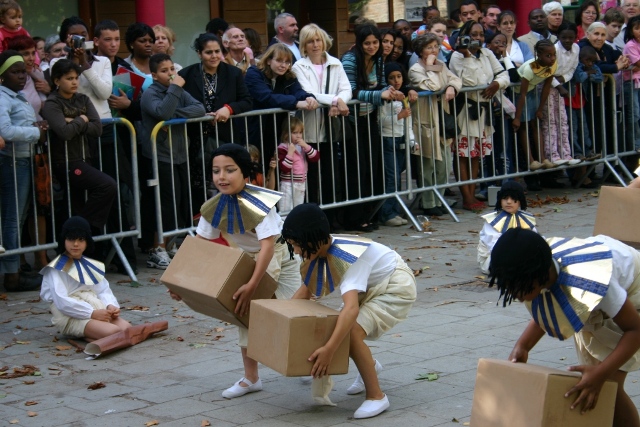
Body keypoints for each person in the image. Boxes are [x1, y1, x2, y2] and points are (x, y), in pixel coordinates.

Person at [170, 143, 301, 398]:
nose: (221, 176)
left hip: (279, 256)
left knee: (297, 314)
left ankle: (347, 355)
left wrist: (253, 284)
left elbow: (267, 248)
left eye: (230, 170)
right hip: (247, 259)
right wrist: (178, 284)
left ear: (245, 173)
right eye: (216, 170)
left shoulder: (261, 204)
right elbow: (200, 247)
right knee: (243, 311)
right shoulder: (212, 207)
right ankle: (251, 377)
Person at [489, 228, 640, 427]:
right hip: (599, 311)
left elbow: (635, 330)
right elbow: (550, 307)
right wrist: (523, 346)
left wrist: (601, 373)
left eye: (515, 288)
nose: (514, 296)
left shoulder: (593, 282)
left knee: (609, 388)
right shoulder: (544, 269)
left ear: (536, 278)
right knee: (595, 386)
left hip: (632, 301)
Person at [281, 203, 417, 419]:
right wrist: (279, 320)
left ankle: (377, 396)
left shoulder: (348, 258)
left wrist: (329, 350)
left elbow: (351, 309)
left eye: (297, 245)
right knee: (339, 329)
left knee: (350, 332)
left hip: (394, 285)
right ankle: (370, 366)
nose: (296, 251)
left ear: (312, 238)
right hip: (372, 284)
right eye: (292, 245)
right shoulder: (320, 247)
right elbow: (304, 292)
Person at [140, 53, 205, 269]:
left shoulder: (177, 92)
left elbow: (199, 108)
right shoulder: (151, 93)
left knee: (179, 201)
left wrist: (173, 116)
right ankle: (156, 248)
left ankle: (170, 245)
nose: (170, 74)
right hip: (160, 155)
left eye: (171, 69)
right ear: (154, 75)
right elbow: (162, 111)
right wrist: (175, 90)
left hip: (179, 154)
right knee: (164, 203)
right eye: (164, 71)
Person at [341, 24, 405, 231]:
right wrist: (380, 95)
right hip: (352, 121)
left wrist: (390, 90)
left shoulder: (378, 59)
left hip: (370, 117)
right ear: (360, 43)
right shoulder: (350, 59)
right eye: (367, 43)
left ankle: (370, 214)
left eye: (375, 43)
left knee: (372, 168)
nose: (372, 47)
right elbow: (351, 91)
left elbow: (377, 87)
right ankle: (355, 217)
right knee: (357, 169)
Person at [41, 59, 116, 234]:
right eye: (69, 78)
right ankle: (79, 231)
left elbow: (97, 128)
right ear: (57, 81)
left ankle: (74, 235)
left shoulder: (82, 98)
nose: (75, 82)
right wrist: (81, 120)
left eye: (76, 78)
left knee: (75, 204)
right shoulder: (53, 103)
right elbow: (64, 132)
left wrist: (72, 122)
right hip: (66, 161)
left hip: (84, 157)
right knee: (107, 185)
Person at [179, 32, 252, 212]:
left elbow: (247, 101)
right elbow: (178, 103)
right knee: (197, 183)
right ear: (199, 53)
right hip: (194, 139)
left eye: (217, 51)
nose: (213, 56)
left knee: (225, 180)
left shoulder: (233, 73)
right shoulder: (186, 74)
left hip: (225, 137)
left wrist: (229, 108)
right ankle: (200, 222)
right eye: (208, 52)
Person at [291, 23, 351, 217]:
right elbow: (309, 92)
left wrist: (340, 101)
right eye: (310, 41)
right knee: (313, 176)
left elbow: (346, 88)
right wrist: (335, 100)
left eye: (318, 40)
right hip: (309, 127)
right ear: (304, 45)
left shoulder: (336, 63)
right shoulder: (299, 66)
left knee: (332, 173)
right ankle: (315, 216)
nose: (315, 44)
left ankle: (333, 216)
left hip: (331, 127)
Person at [449, 20, 510, 211]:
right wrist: (467, 54)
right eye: (473, 35)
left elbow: (504, 75)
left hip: (483, 112)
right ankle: (466, 198)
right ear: (464, 36)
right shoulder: (456, 56)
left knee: (476, 155)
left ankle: (472, 192)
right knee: (462, 154)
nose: (477, 38)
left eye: (481, 35)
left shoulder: (487, 53)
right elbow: (470, 80)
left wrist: (496, 84)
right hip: (465, 111)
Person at [0, 50, 48, 291]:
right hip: (12, 162)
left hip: (24, 159)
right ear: (2, 76)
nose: (22, 76)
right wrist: (36, 132)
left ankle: (14, 271)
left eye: (23, 71)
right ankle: (11, 274)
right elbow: (5, 131)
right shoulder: (2, 97)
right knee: (12, 220)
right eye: (15, 72)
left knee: (17, 218)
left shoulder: (16, 96)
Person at [39, 216, 132, 339]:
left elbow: (102, 290)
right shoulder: (56, 269)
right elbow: (62, 302)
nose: (76, 244)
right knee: (114, 332)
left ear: (87, 241)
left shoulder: (90, 265)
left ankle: (94, 333)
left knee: (127, 329)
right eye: (71, 239)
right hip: (70, 314)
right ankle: (85, 333)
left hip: (95, 307)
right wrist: (91, 313)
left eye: (81, 239)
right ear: (63, 240)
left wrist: (110, 305)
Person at [244, 43, 317, 176]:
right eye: (279, 60)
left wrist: (309, 98)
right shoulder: (254, 73)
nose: (283, 65)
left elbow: (298, 91)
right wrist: (295, 103)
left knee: (274, 168)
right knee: (255, 169)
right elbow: (266, 97)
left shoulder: (288, 76)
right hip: (254, 128)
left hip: (276, 129)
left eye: (287, 62)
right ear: (268, 60)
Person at [512, 39, 558, 173]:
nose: (552, 58)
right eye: (548, 56)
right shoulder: (529, 69)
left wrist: (540, 109)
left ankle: (543, 158)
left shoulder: (553, 65)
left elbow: (546, 87)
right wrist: (517, 117)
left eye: (554, 54)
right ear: (538, 55)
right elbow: (522, 94)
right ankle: (531, 161)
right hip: (519, 94)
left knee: (535, 124)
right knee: (524, 125)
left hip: (532, 92)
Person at [378, 61, 414, 226]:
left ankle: (394, 210)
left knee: (398, 176)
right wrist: (399, 116)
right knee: (391, 177)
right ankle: (387, 213)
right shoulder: (385, 99)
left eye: (399, 76)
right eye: (392, 78)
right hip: (388, 138)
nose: (396, 80)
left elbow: (409, 120)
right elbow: (382, 121)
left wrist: (412, 140)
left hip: (400, 137)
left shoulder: (403, 96)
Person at [541, 22, 581, 167]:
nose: (568, 41)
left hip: (560, 85)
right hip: (547, 87)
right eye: (564, 38)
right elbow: (546, 72)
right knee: (550, 122)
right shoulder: (554, 50)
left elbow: (572, 69)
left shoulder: (576, 49)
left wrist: (562, 80)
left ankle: (566, 154)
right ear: (558, 37)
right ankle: (553, 155)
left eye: (571, 38)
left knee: (563, 121)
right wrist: (558, 85)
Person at [476, 181, 536, 274]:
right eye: (505, 198)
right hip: (494, 258)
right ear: (500, 200)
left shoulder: (526, 219)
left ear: (520, 201)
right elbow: (494, 246)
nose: (508, 202)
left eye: (513, 198)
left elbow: (535, 239)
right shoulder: (492, 221)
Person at [566, 46, 603, 189]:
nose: (589, 64)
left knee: (585, 129)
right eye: (587, 60)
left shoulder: (591, 66)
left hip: (581, 102)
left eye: (592, 61)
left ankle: (587, 151)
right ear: (581, 59)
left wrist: (590, 73)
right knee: (573, 130)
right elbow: (579, 78)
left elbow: (599, 77)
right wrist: (588, 73)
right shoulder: (578, 66)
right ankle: (578, 152)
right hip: (570, 102)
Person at [276, 117, 319, 212]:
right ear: (287, 133)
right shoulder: (282, 148)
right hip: (287, 184)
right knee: (285, 211)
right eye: (294, 133)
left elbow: (315, 157)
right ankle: (284, 226)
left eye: (300, 133)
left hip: (301, 183)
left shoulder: (302, 146)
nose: (298, 136)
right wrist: (290, 153)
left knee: (298, 211)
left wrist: (306, 146)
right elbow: (284, 168)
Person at [622, 16, 640, 154]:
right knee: (634, 115)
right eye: (637, 28)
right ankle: (635, 144)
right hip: (632, 83)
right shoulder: (631, 45)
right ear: (631, 30)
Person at [123, 22, 155, 91]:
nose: (148, 44)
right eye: (142, 41)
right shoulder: (124, 67)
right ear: (131, 44)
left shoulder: (159, 63)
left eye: (151, 41)